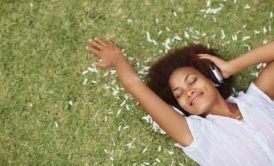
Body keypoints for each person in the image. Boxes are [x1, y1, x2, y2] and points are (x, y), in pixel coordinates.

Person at [86, 38, 274, 165]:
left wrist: (229, 67)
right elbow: (134, 85)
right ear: (179, 107)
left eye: (192, 81)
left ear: (212, 79)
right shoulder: (197, 135)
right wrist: (117, 58)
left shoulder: (257, 99)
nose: (189, 92)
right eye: (179, 94)